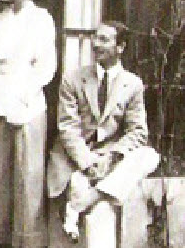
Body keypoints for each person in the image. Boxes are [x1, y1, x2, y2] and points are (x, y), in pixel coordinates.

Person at [47, 20, 160, 242]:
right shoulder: (73, 79)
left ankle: (81, 203)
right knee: (102, 208)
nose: (95, 44)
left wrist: (111, 156)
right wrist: (89, 164)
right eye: (95, 38)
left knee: (150, 155)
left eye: (103, 39)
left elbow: (138, 131)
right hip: (76, 158)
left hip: (110, 157)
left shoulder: (133, 84)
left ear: (121, 46)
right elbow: (68, 129)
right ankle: (87, 200)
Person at [0, 0, 57, 247]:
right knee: (0, 173)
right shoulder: (0, 20)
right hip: (1, 99)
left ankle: (28, 241)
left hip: (29, 102)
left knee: (28, 174)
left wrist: (24, 95)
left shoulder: (42, 19)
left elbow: (47, 65)